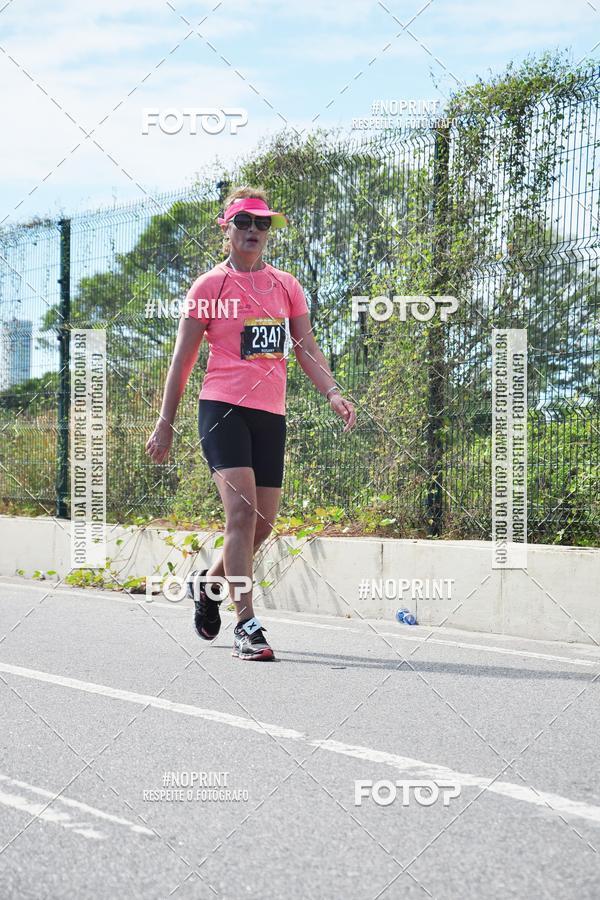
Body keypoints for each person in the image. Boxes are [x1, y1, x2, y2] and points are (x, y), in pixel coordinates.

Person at [145, 186, 356, 661]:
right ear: (227, 228)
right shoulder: (209, 287)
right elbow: (182, 361)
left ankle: (208, 582)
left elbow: (306, 347)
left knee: (262, 525)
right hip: (221, 409)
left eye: (262, 224)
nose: (254, 231)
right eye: (244, 223)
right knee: (240, 516)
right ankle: (247, 624)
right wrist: (165, 423)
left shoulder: (286, 286)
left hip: (270, 414)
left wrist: (333, 391)